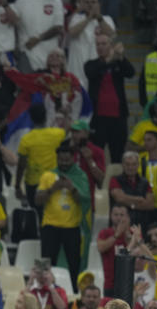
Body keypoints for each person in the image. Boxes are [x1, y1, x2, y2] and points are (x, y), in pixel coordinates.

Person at [35, 142, 90, 292]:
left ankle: (74, 292)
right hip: (50, 227)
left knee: (74, 264)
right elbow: (38, 200)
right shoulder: (48, 175)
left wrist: (71, 188)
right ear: (57, 159)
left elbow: (85, 200)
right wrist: (53, 188)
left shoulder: (80, 176)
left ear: (73, 159)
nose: (64, 163)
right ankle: (42, 290)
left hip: (72, 228)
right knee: (46, 263)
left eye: (67, 160)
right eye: (61, 160)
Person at [84, 34, 135, 162]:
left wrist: (121, 57)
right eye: (98, 44)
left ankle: (115, 181)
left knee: (118, 156)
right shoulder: (91, 64)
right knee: (96, 154)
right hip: (98, 119)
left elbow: (131, 73)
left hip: (118, 117)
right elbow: (91, 73)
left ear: (110, 46)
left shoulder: (118, 62)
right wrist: (110, 59)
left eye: (104, 44)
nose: (100, 47)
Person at [9, 0, 64, 72]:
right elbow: (13, 23)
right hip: (27, 51)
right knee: (26, 85)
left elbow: (58, 27)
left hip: (50, 54)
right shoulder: (21, 1)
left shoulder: (55, 1)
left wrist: (38, 39)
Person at [15, 104, 66, 206]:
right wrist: (66, 114)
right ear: (46, 116)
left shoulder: (26, 140)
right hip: (53, 181)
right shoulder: (58, 134)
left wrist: (17, 185)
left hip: (33, 183)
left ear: (31, 118)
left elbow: (21, 165)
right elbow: (70, 128)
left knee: (36, 214)